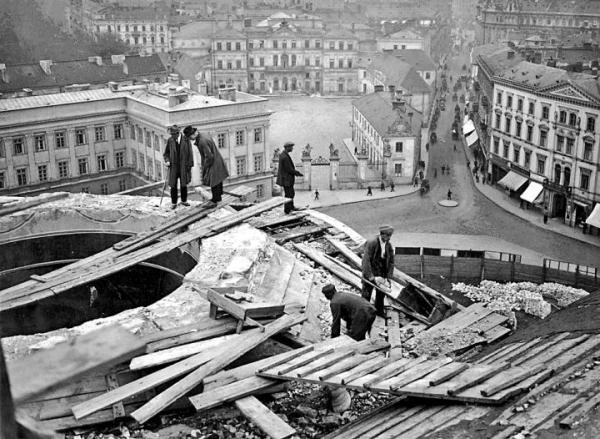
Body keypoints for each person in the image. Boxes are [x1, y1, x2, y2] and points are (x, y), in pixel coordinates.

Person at [361, 225, 395, 317]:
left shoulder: (388, 245)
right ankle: (364, 314)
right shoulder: (372, 243)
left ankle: (379, 311)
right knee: (366, 294)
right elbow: (366, 261)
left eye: (390, 236)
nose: (388, 238)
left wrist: (388, 276)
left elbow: (391, 261)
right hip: (371, 272)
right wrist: (370, 277)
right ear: (382, 235)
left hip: (382, 272)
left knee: (381, 295)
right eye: (387, 236)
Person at [192, 127, 229, 207]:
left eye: (189, 136)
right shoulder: (203, 135)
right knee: (218, 179)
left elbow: (209, 156)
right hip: (217, 159)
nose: (190, 139)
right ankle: (218, 198)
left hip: (213, 162)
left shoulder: (202, 141)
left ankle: (214, 201)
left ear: (193, 134)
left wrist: (205, 165)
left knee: (214, 181)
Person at [164, 125, 194, 209]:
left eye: (173, 134)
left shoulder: (186, 140)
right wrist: (167, 161)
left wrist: (190, 165)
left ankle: (184, 201)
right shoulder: (170, 140)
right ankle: (174, 203)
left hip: (184, 167)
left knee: (183, 184)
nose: (172, 136)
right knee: (173, 185)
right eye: (171, 134)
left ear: (178, 133)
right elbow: (166, 153)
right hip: (173, 167)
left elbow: (190, 154)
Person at [276, 141, 303, 214]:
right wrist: (298, 173)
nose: (292, 148)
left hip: (286, 179)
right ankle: (288, 209)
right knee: (289, 194)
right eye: (291, 147)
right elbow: (289, 169)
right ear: (287, 147)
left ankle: (290, 207)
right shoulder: (284, 157)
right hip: (287, 179)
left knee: (290, 193)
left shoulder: (283, 154)